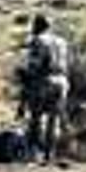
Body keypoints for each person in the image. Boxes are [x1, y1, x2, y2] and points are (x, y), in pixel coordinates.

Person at [17, 14, 72, 162]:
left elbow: (34, 66)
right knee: (54, 119)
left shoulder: (38, 40)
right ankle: (50, 155)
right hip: (62, 81)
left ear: (36, 26)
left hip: (44, 81)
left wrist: (24, 82)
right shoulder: (61, 41)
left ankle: (33, 155)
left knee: (36, 117)